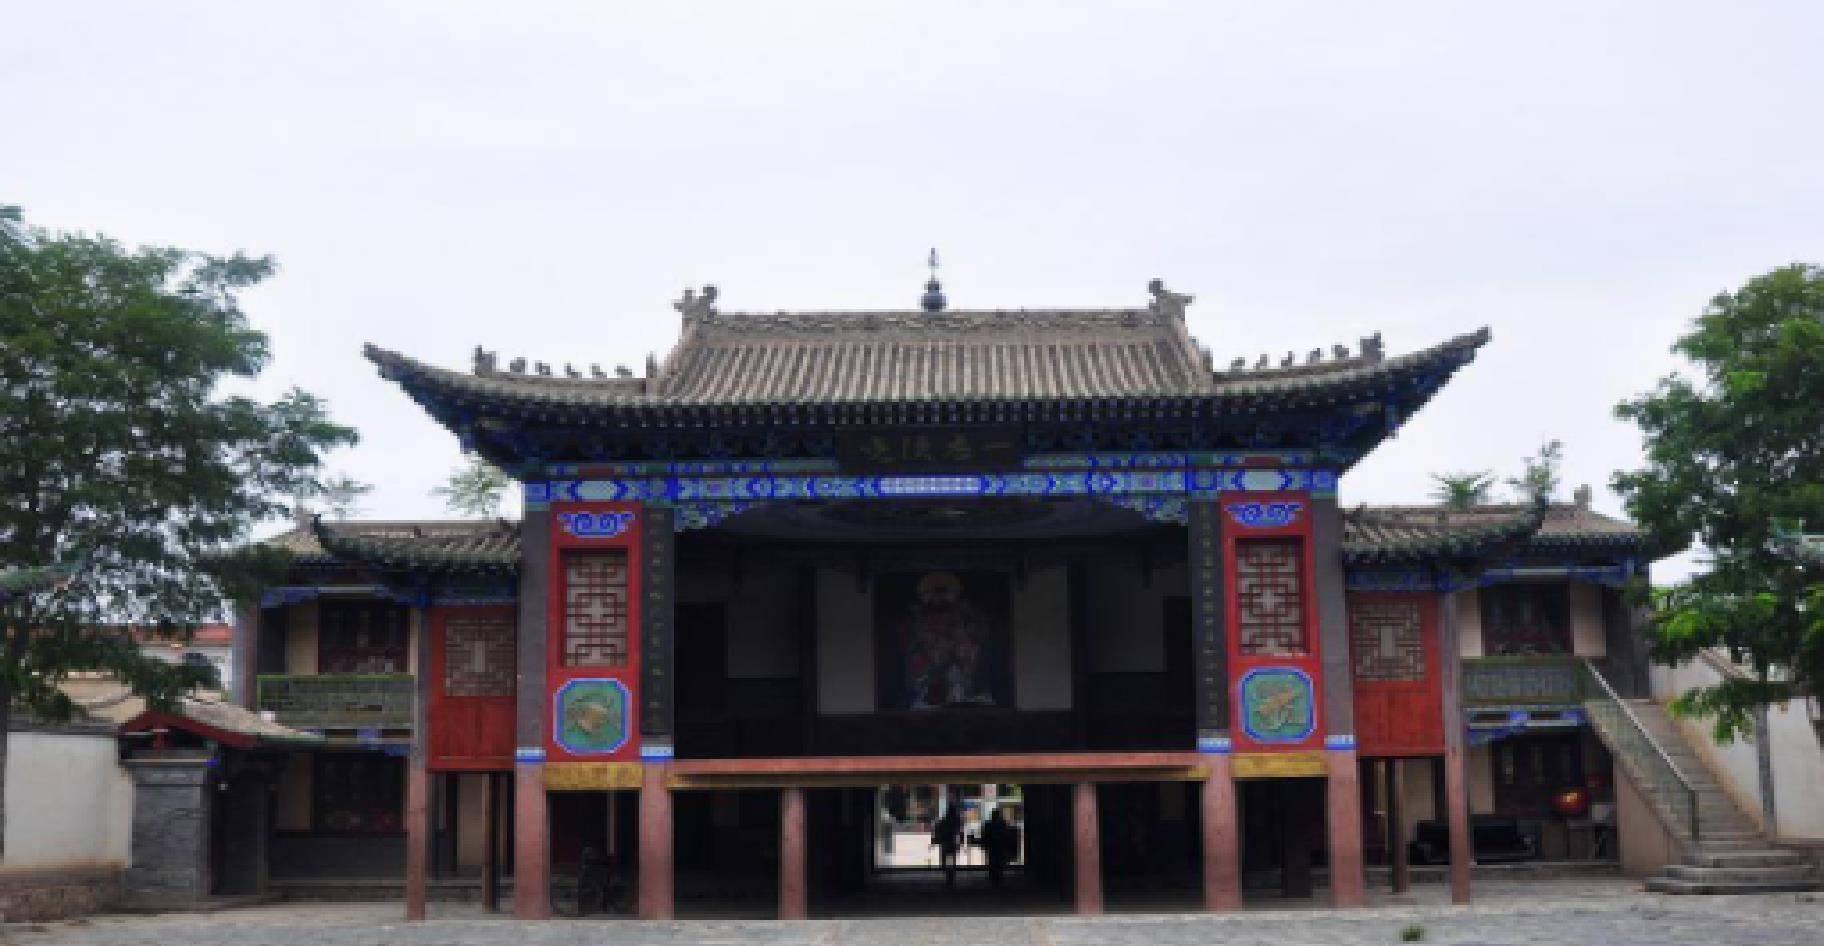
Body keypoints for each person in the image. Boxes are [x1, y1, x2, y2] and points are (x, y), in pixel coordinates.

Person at [931, 803, 965, 888]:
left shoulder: (944, 820)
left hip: (946, 844)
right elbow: (960, 832)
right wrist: (960, 841)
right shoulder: (956, 821)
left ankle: (948, 874)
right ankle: (950, 875)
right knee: (952, 861)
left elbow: (938, 829)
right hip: (952, 844)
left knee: (946, 860)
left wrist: (937, 840)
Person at [982, 807, 1016, 888]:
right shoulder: (1002, 824)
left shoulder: (989, 824)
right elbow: (1005, 835)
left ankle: (993, 876)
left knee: (993, 861)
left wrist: (985, 845)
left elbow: (985, 836)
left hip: (993, 846)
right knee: (999, 861)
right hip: (999, 846)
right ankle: (998, 876)